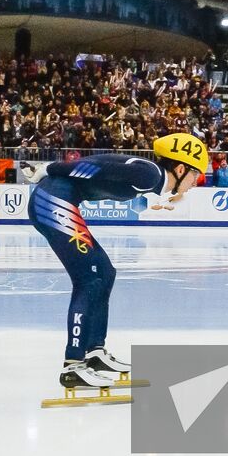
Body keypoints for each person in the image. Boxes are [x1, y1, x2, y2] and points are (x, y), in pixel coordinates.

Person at [23, 133, 208, 389]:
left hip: (56, 200)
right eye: (196, 175)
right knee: (89, 278)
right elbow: (93, 167)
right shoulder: (151, 175)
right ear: (180, 168)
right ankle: (73, 366)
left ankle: (94, 352)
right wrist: (48, 168)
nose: (197, 183)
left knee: (105, 272)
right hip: (51, 201)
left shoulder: (150, 177)